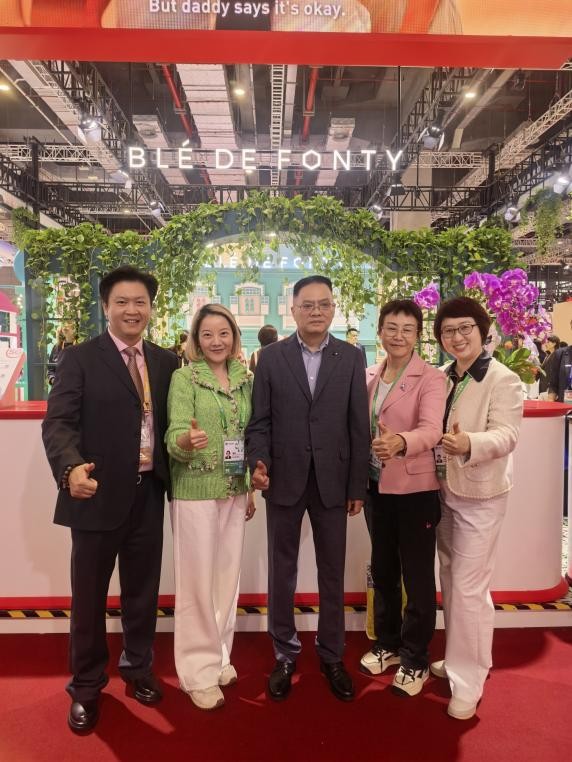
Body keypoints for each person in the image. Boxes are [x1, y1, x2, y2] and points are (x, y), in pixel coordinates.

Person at [41, 265, 178, 734]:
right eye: (122, 302)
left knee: (142, 593)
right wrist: (69, 468)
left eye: (140, 302)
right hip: (96, 494)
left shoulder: (165, 362)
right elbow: (58, 423)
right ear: (106, 307)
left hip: (149, 493)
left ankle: (138, 668)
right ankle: (85, 686)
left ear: (151, 307)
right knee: (89, 598)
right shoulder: (80, 358)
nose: (131, 310)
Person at [246, 275, 369, 703]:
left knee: (332, 572)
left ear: (333, 308)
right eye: (308, 305)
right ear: (293, 309)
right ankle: (284, 653)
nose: (316, 311)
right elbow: (259, 422)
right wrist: (258, 461)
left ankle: (332, 654)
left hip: (334, 481)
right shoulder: (270, 358)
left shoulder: (351, 356)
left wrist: (357, 484)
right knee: (282, 571)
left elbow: (358, 425)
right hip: (283, 478)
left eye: (324, 304)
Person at [430, 296, 523, 720]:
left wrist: (470, 442)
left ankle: (469, 679)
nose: (457, 337)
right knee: (451, 580)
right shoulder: (443, 376)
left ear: (483, 331)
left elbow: (507, 434)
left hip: (481, 495)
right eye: (448, 331)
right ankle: (459, 657)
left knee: (469, 588)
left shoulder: (503, 379)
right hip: (445, 491)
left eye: (465, 328)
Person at [165, 303, 255, 711]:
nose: (216, 341)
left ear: (234, 337)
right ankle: (196, 673)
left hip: (234, 487)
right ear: (196, 341)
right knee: (196, 583)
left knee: (225, 579)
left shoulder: (244, 379)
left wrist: (249, 487)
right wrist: (187, 441)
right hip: (195, 489)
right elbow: (174, 434)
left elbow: (247, 437)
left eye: (223, 333)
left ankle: (218, 655)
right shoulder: (184, 378)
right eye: (207, 334)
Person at [359, 299, 446, 697]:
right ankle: (388, 643)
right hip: (376, 489)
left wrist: (401, 441)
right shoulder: (369, 375)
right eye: (391, 327)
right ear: (379, 331)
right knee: (384, 570)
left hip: (415, 490)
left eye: (407, 329)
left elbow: (432, 429)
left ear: (418, 335)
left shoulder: (430, 378)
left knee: (417, 575)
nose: (398, 336)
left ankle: (415, 658)